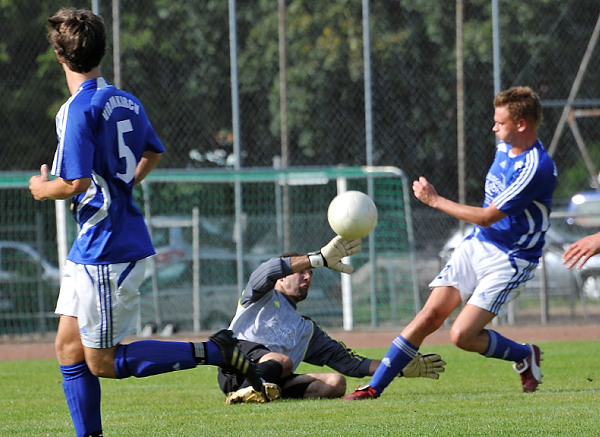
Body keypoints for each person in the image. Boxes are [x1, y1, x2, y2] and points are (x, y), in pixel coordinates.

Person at [28, 8, 262, 437]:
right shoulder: (126, 100)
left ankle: (214, 350)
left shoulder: (77, 109)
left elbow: (75, 182)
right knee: (67, 348)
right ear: (102, 50)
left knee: (102, 362)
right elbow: (153, 151)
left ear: (59, 56)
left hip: (106, 247)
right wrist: (124, 184)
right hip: (96, 243)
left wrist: (41, 189)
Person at [344, 86, 557, 401]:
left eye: (500, 123)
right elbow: (486, 223)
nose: (494, 128)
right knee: (430, 316)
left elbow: (487, 216)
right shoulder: (504, 147)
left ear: (522, 124)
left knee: (461, 335)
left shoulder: (536, 167)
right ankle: (373, 387)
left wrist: (435, 200)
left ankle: (524, 354)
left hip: (511, 258)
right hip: (478, 244)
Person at [218, 236, 446, 404]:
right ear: (282, 278)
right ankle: (244, 392)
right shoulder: (260, 296)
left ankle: (261, 394)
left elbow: (351, 363)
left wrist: (397, 367)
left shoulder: (306, 330)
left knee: (335, 383)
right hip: (234, 366)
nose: (308, 277)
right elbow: (267, 270)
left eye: (311, 273)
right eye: (302, 271)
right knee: (283, 361)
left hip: (274, 377)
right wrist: (317, 259)